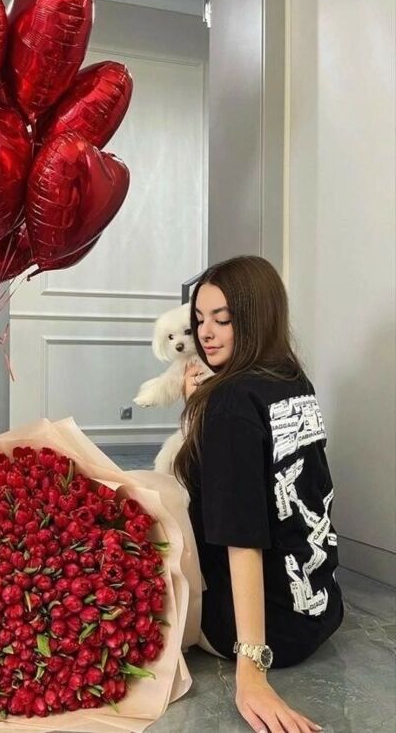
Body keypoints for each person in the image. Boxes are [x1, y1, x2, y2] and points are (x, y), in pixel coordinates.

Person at [175, 255, 343, 733]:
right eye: (199, 319)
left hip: (262, 630)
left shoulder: (231, 402)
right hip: (317, 611)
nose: (206, 334)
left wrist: (251, 669)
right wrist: (198, 410)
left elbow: (241, 533)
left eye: (222, 320)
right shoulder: (291, 379)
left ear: (254, 318)